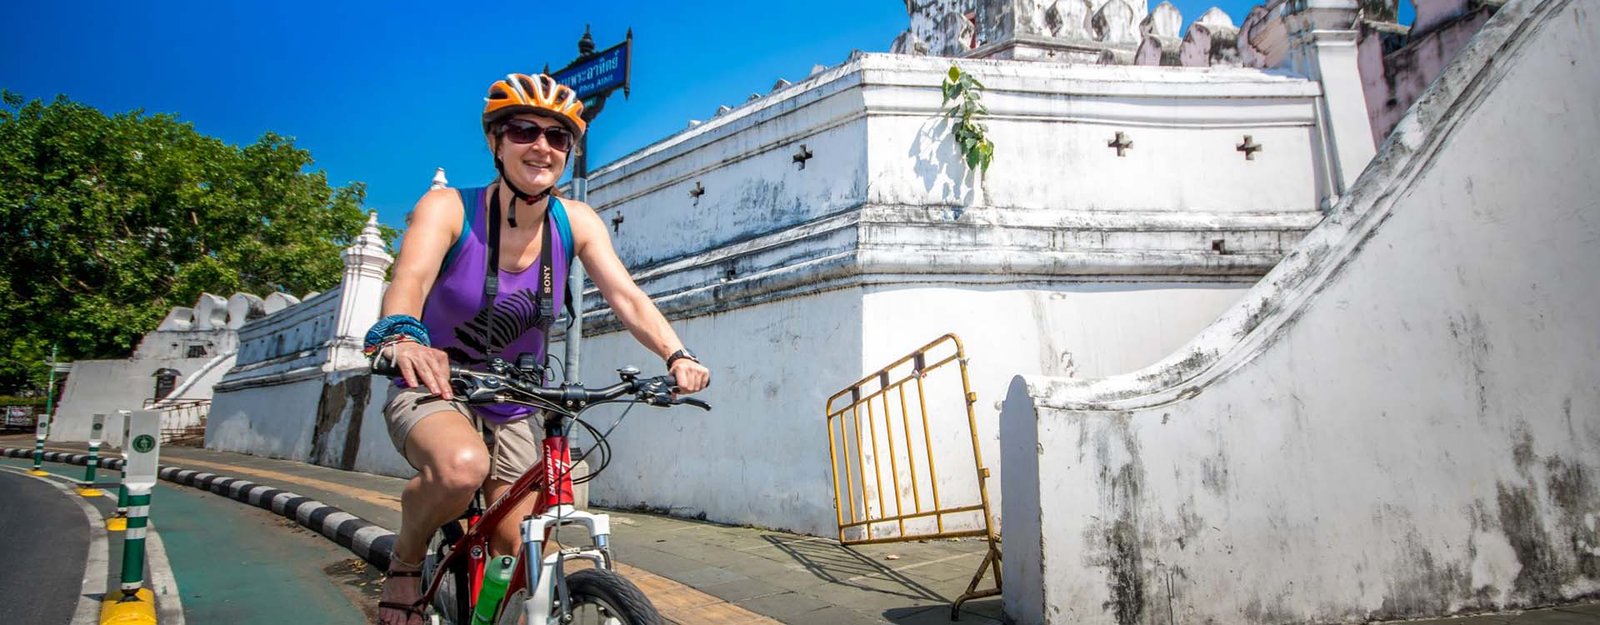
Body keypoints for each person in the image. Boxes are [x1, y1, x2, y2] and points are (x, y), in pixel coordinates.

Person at [367, 73, 711, 625]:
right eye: (524, 130)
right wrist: (404, 337)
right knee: (460, 468)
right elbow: (409, 277)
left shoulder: (576, 222)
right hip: (435, 380)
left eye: (558, 137)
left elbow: (626, 296)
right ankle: (406, 562)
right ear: (495, 142)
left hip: (517, 397)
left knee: (530, 539)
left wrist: (677, 355)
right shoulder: (449, 208)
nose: (541, 146)